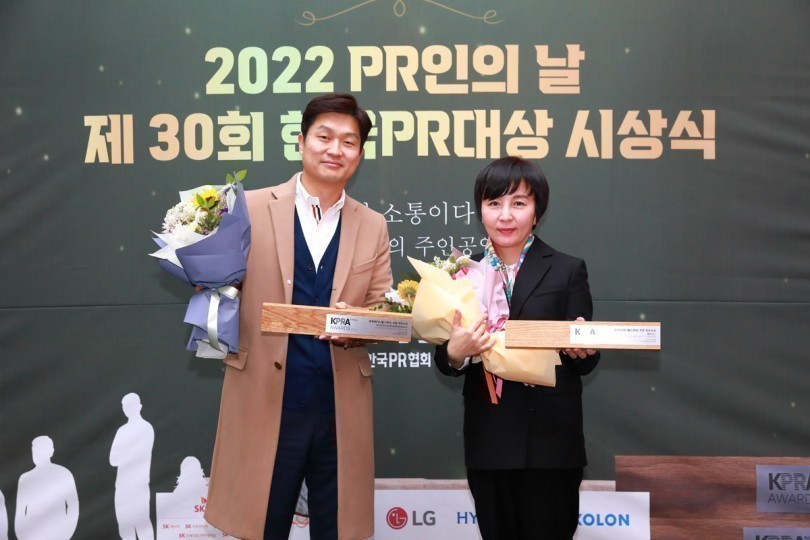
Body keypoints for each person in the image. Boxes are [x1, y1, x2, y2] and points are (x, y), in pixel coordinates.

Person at [204, 93, 393, 540]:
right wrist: (205, 281)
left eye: (349, 141)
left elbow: (384, 309)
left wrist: (358, 322)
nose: (335, 149)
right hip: (265, 399)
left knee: (337, 529)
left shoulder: (373, 224)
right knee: (260, 526)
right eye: (324, 137)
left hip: (338, 407)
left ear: (360, 154)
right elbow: (218, 287)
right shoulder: (247, 208)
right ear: (301, 141)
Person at [435, 156, 600, 539]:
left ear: (537, 211)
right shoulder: (462, 273)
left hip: (552, 444)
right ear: (480, 210)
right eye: (494, 203)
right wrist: (456, 352)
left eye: (519, 203)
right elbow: (445, 359)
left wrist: (582, 347)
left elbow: (586, 360)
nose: (505, 215)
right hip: (490, 441)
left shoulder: (567, 269)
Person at [15, 436, 79, 540]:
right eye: (35, 451)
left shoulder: (63, 474)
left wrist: (66, 532)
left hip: (58, 533)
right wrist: (21, 536)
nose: (36, 454)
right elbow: (20, 513)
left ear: (51, 451)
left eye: (40, 450)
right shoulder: (25, 478)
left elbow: (73, 507)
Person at [109, 392, 155, 540]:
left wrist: (125, 452)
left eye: (130, 405)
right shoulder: (121, 430)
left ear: (139, 406)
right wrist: (128, 453)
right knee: (124, 525)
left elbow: (140, 454)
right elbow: (113, 459)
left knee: (142, 524)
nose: (126, 408)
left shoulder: (146, 428)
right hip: (122, 485)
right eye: (124, 406)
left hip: (138, 484)